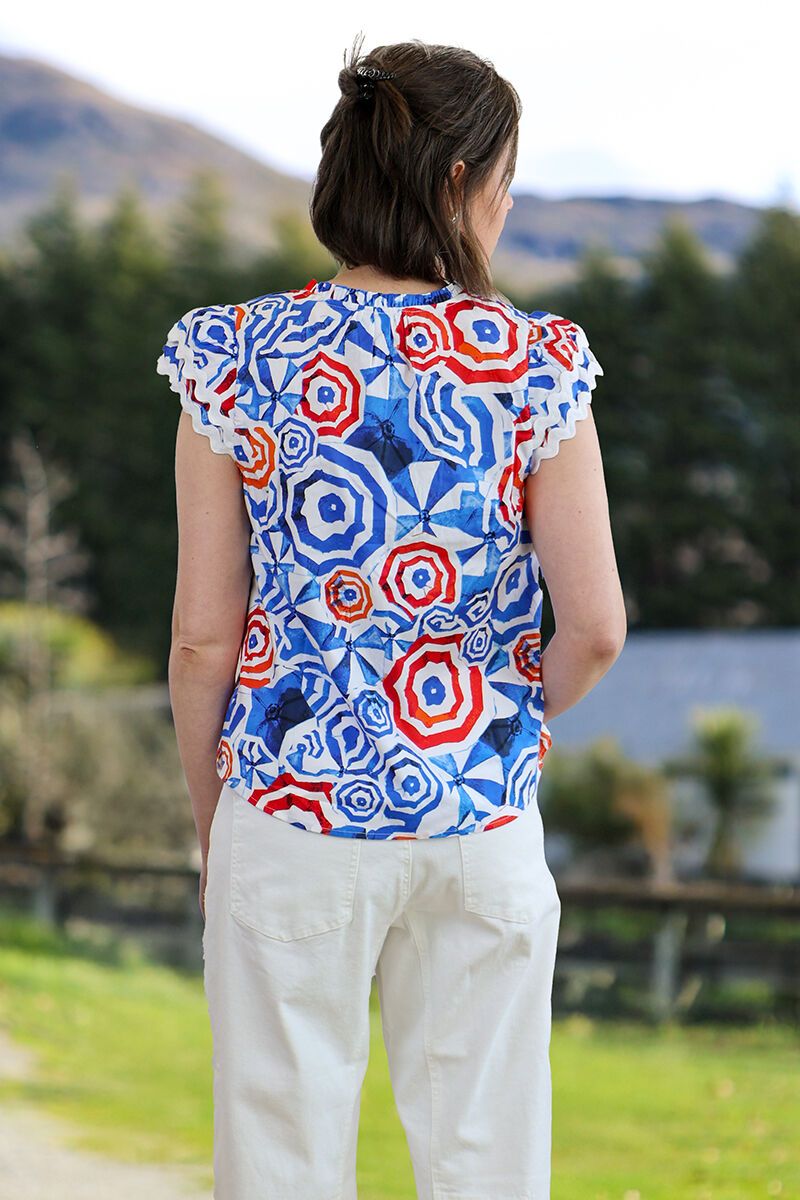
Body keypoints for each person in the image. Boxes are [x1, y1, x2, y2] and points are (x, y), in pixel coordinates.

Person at [157, 35, 626, 1200]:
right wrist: (501, 721)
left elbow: (203, 639)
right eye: (504, 181)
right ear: (459, 182)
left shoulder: (234, 356)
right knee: (484, 1160)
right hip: (477, 814)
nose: (505, 207)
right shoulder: (535, 364)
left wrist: (218, 825)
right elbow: (594, 628)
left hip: (287, 805)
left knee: (280, 1156)